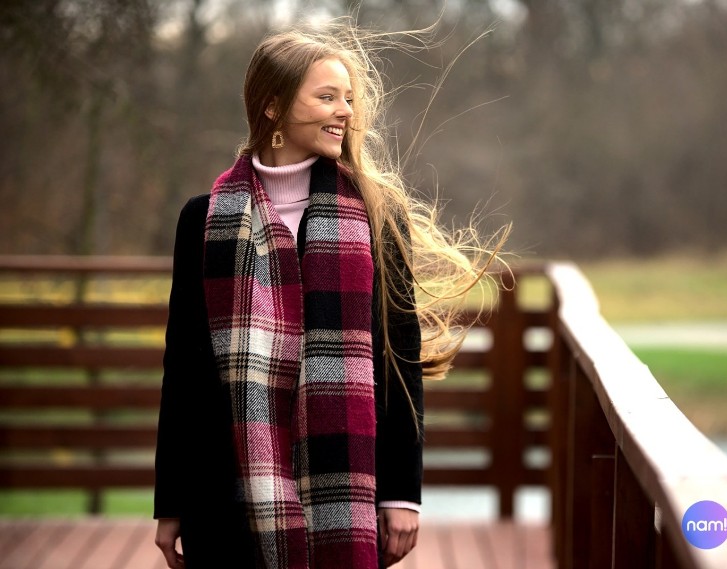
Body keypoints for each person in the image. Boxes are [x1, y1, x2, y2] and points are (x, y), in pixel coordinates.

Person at [153, 21, 506, 569]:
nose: (344, 110)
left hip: (346, 491)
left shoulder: (374, 217)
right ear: (272, 107)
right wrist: (172, 501)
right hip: (225, 492)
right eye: (326, 96)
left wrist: (401, 493)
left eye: (347, 97)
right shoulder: (203, 222)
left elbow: (399, 358)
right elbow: (184, 370)